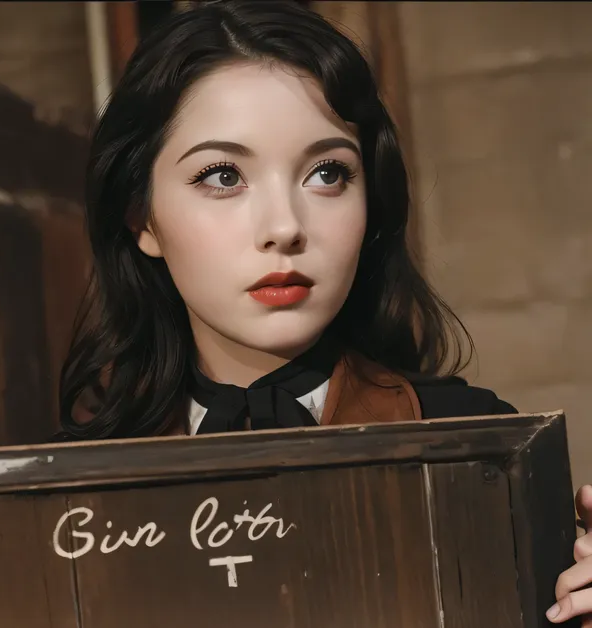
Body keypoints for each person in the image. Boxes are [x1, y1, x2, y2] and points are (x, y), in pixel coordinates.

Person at [55, 0, 591, 623]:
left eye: (328, 172)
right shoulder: (68, 494)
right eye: (223, 174)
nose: (284, 227)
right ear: (140, 216)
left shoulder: (478, 452)